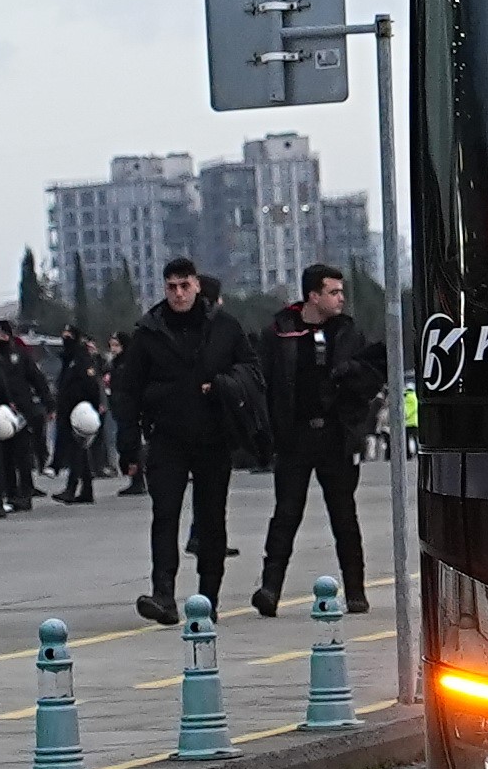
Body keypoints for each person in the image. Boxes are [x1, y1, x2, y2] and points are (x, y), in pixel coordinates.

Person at [116, 254, 257, 620]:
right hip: (166, 437)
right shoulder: (148, 332)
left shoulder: (224, 327)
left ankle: (207, 597)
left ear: (197, 285)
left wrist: (224, 386)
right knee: (164, 515)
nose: (179, 294)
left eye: (185, 286)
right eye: (171, 287)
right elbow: (128, 390)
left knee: (212, 518)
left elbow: (251, 371)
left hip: (213, 436)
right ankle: (163, 594)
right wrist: (128, 443)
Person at [250, 260, 386, 619]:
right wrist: (268, 433)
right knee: (286, 514)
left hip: (335, 437)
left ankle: (356, 591)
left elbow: (369, 379)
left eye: (341, 292)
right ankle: (270, 588)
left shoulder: (348, 333)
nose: (340, 298)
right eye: (333, 292)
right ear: (313, 295)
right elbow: (265, 383)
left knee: (344, 515)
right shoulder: (279, 333)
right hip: (294, 438)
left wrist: (352, 383)